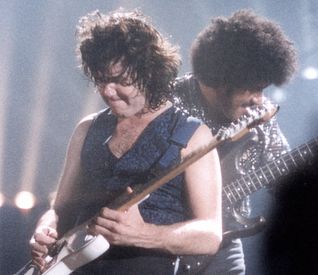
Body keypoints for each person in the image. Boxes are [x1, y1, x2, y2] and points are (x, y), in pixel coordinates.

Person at [28, 9, 222, 275]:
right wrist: (44, 230)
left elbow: (211, 234)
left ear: (150, 73)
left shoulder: (192, 134)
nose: (108, 91)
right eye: (101, 80)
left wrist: (144, 234)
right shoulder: (88, 128)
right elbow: (60, 209)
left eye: (120, 81)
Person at [174, 9, 297, 274]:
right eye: (252, 87)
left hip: (225, 239)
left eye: (263, 89)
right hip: (167, 232)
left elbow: (286, 178)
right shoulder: (170, 104)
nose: (258, 99)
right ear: (221, 80)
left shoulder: (260, 114)